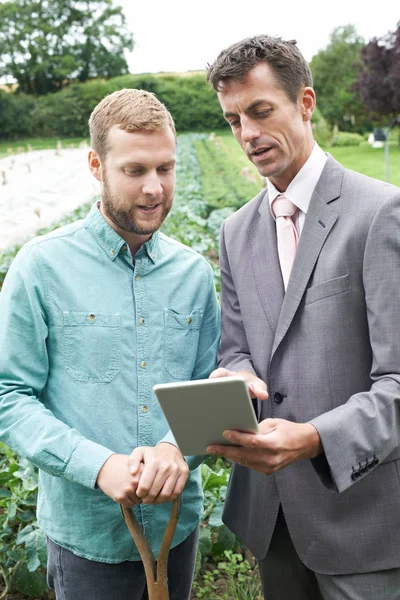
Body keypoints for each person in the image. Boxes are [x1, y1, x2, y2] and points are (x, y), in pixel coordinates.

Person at [0, 88, 220, 600]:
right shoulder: (42, 267)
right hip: (86, 538)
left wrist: (174, 447)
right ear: (97, 165)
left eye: (165, 169)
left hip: (176, 528)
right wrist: (98, 466)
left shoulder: (192, 272)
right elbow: (9, 396)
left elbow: (212, 385)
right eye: (135, 170)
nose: (154, 188)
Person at [205, 35, 400, 599]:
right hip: (273, 522)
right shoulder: (236, 230)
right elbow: (236, 347)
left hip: (364, 524)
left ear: (305, 102)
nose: (247, 135)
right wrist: (237, 375)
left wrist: (314, 437)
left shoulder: (380, 213)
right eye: (233, 120)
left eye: (261, 111)